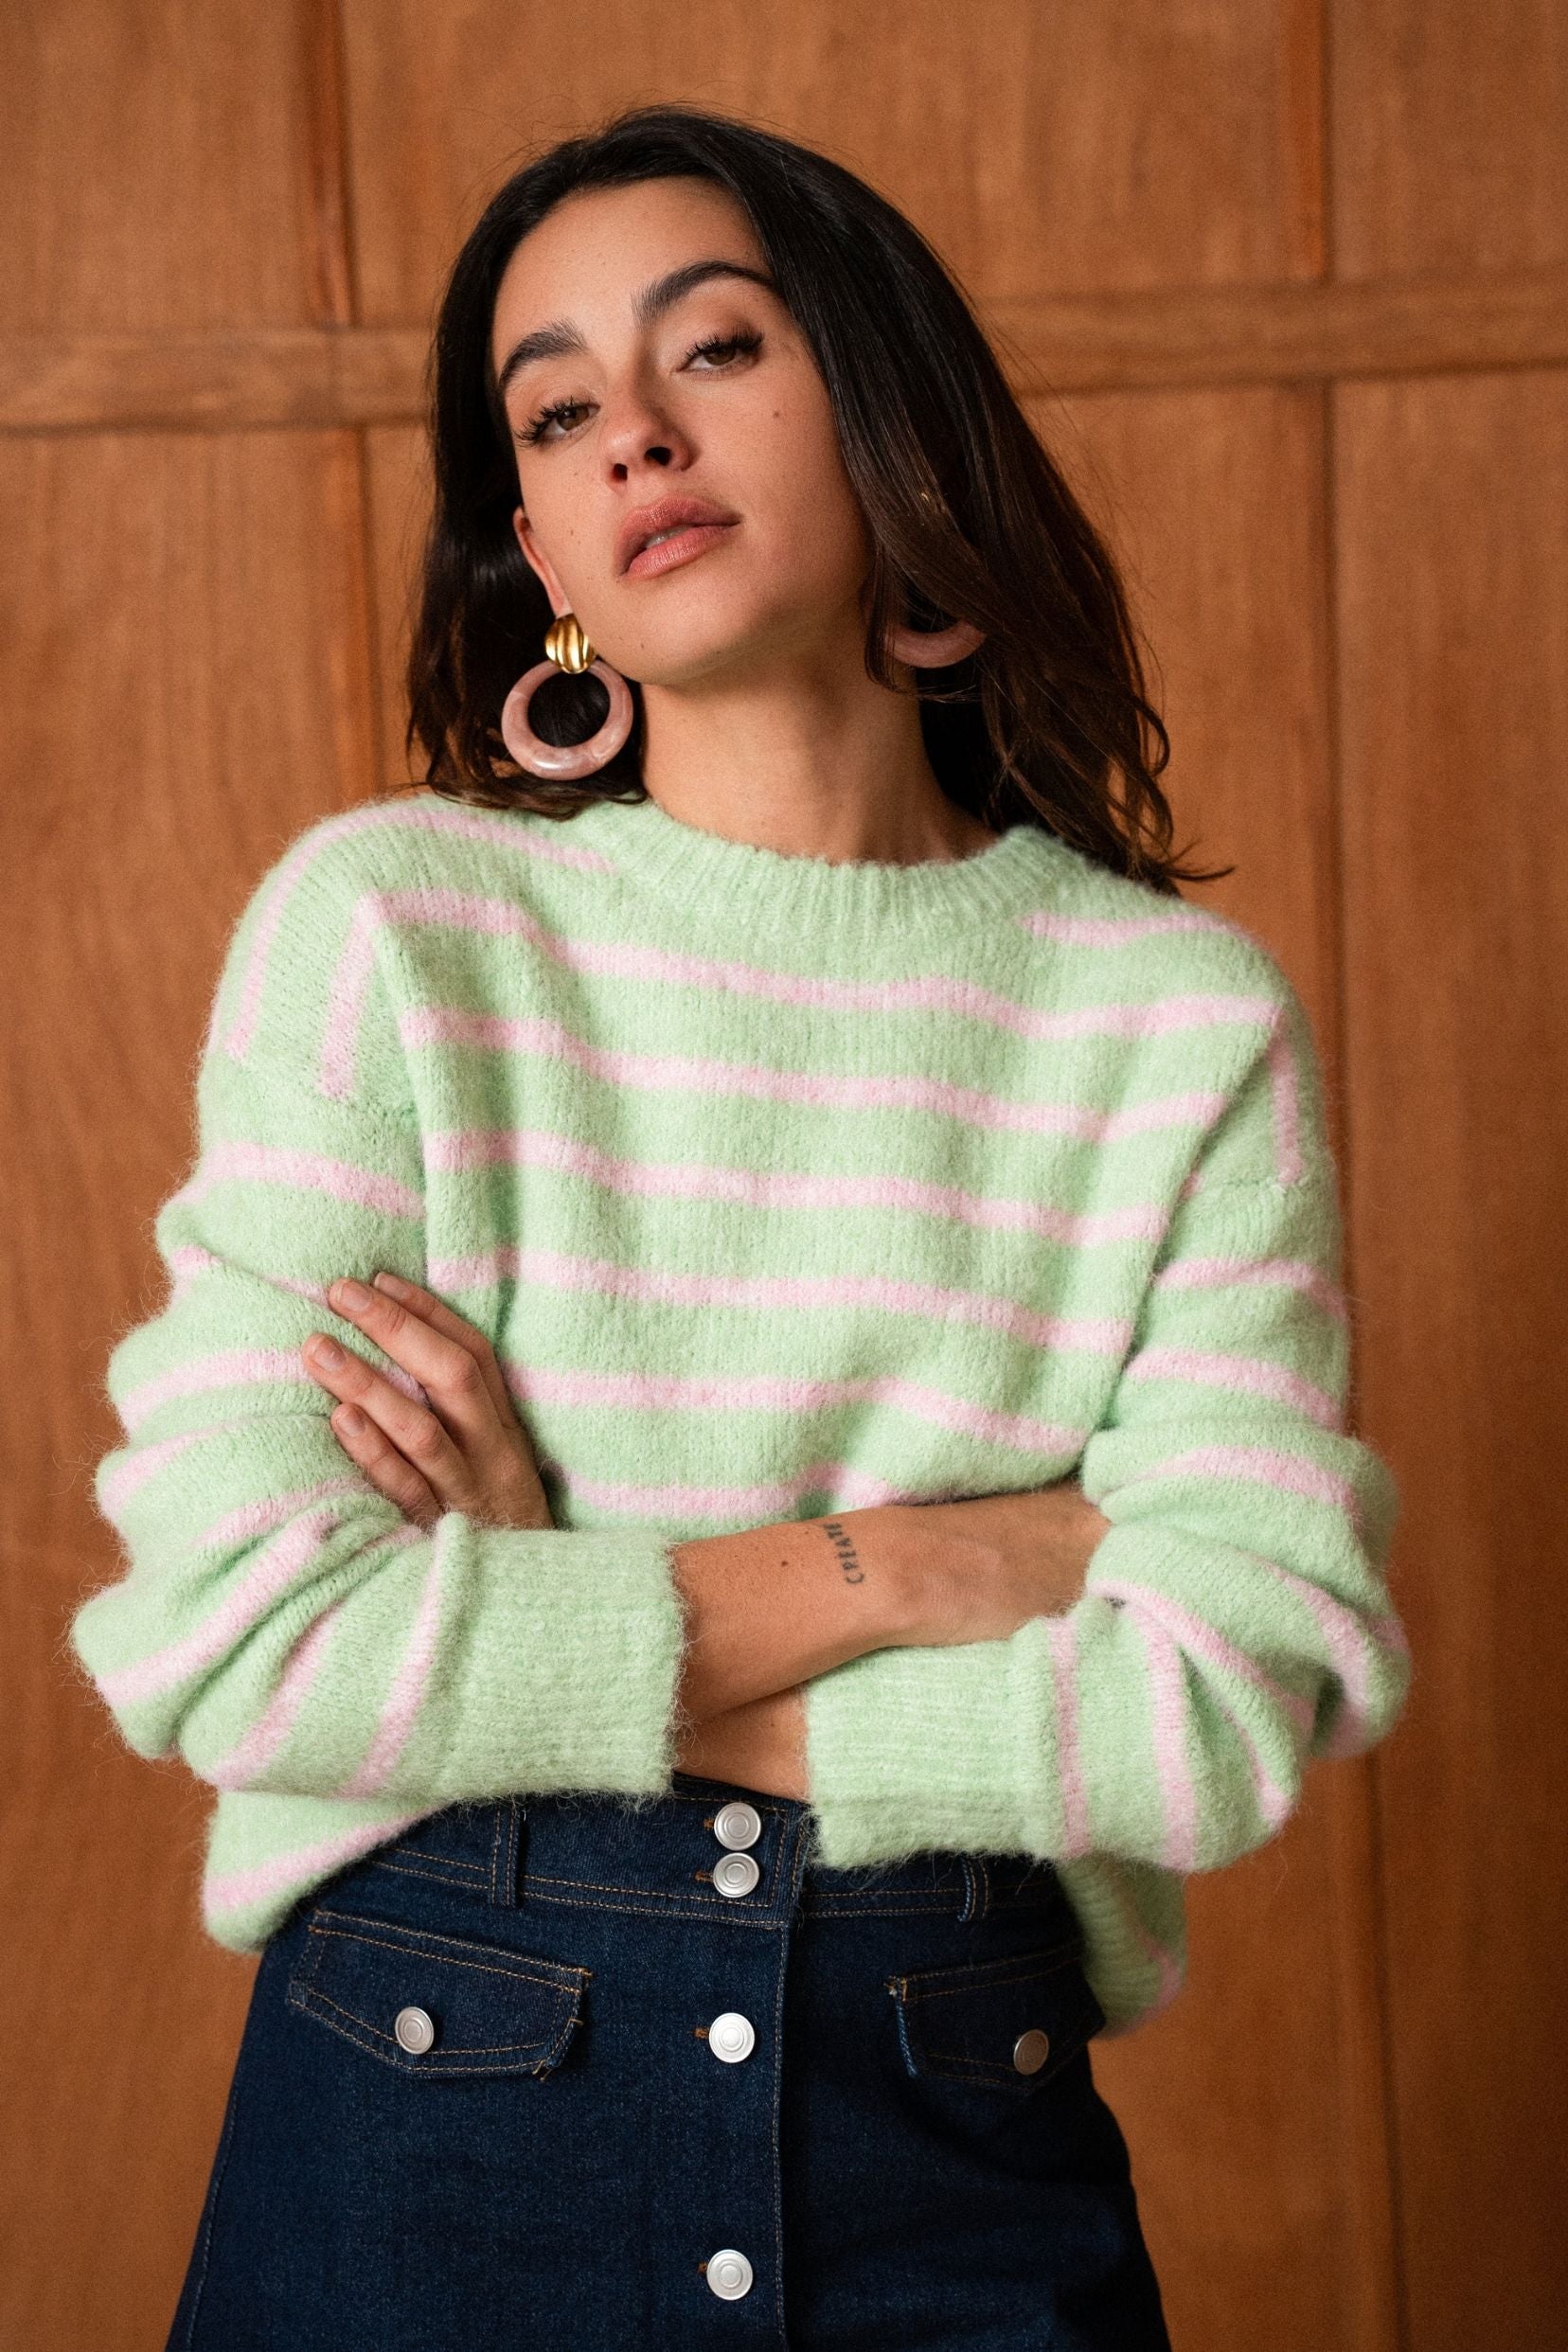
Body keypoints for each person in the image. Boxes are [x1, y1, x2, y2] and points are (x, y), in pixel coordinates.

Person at [70, 101, 1411, 2352]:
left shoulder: (1173, 1022)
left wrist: (537, 1617)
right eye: (559, 410)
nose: (636, 435)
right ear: (541, 552)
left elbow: (1232, 1692)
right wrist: (932, 1565)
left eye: (715, 348)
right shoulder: (397, 935)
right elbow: (228, 1634)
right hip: (432, 2104)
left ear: (892, 420)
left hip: (952, 2137)